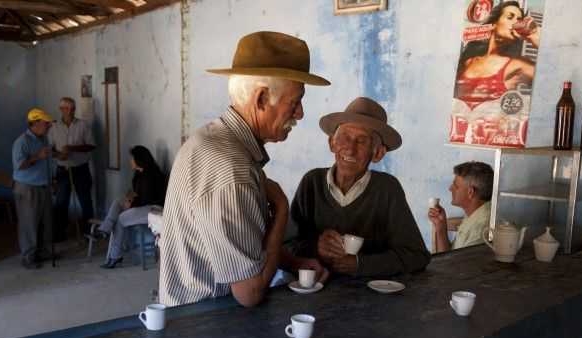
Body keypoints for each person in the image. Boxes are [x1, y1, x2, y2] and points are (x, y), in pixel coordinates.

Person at [159, 31, 330, 307]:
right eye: (295, 102)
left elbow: (238, 243)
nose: (300, 113)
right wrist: (282, 209)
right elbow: (249, 293)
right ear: (261, 99)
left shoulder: (213, 138)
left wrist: (292, 262)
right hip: (205, 325)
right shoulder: (232, 168)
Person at [289, 97, 430, 277]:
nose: (350, 149)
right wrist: (316, 246)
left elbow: (416, 256)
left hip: (369, 297)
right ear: (332, 143)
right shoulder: (312, 182)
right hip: (314, 292)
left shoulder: (387, 189)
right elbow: (287, 245)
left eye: (362, 141)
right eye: (345, 137)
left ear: (378, 153)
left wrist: (360, 264)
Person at [455, 1, 540, 110]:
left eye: (518, 20)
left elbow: (549, 80)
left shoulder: (517, 65)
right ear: (494, 23)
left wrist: (534, 37)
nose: (515, 23)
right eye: (510, 17)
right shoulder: (469, 61)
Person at [12, 108, 66, 269]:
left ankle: (42, 251)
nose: (49, 126)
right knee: (29, 223)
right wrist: (37, 157)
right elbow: (20, 165)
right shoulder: (21, 142)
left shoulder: (43, 139)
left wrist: (57, 155)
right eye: (45, 124)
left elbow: (48, 157)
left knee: (45, 222)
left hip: (44, 186)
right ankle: (28, 256)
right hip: (27, 188)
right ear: (34, 123)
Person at [96, 146, 167, 268]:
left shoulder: (151, 175)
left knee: (121, 219)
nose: (131, 161)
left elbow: (147, 199)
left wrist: (132, 204)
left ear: (139, 159)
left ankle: (115, 256)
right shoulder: (140, 173)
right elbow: (137, 193)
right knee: (118, 201)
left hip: (153, 209)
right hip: (142, 204)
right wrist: (130, 199)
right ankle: (105, 229)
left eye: (132, 158)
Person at [48, 97, 96, 240]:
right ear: (61, 109)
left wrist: (72, 148)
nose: (70, 111)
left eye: (73, 108)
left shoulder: (83, 125)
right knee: (61, 202)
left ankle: (89, 232)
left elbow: (91, 145)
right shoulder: (53, 128)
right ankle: (59, 233)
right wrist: (58, 155)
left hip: (81, 168)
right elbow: (50, 149)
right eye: (67, 108)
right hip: (62, 170)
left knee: (85, 201)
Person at [428, 162, 493, 252]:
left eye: (456, 186)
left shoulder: (480, 230)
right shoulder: (474, 215)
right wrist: (440, 226)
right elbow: (449, 256)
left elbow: (451, 264)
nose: (450, 188)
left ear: (470, 192)